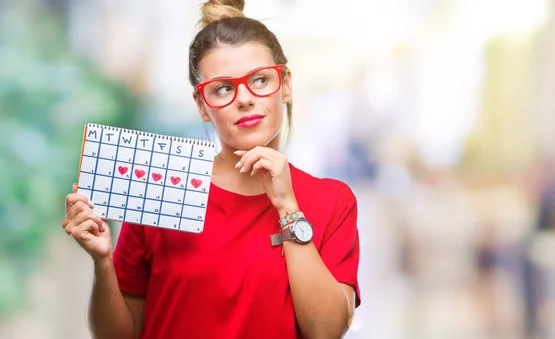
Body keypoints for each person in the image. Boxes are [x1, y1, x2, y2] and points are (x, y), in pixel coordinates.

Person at [61, 1, 361, 338]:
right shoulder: (161, 188)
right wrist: (102, 263)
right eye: (223, 88)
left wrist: (288, 210)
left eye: (260, 80)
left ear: (286, 84)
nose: (245, 99)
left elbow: (327, 331)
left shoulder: (332, 200)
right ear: (202, 105)